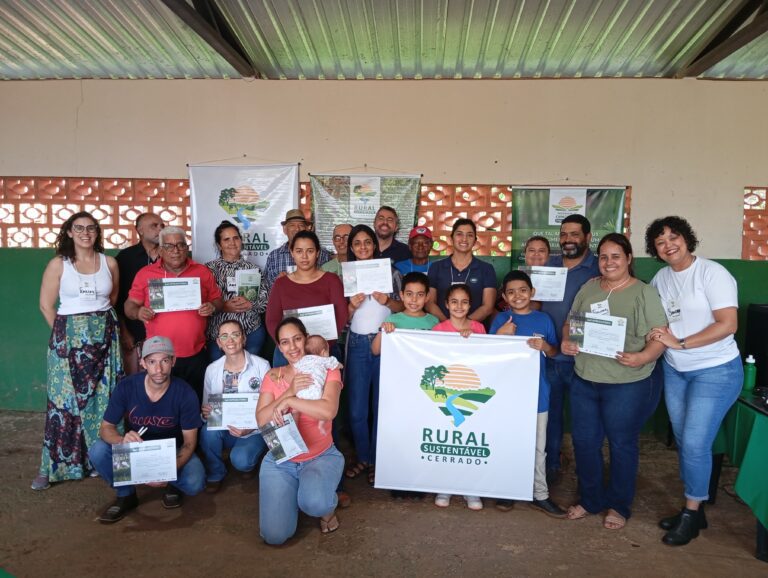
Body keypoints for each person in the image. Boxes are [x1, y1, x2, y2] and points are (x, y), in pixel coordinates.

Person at [645, 216, 742, 546]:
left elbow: (728, 324)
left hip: (716, 370)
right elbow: (658, 320)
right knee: (686, 441)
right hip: (676, 370)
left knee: (697, 443)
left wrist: (681, 343)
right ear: (655, 250)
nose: (668, 244)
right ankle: (696, 508)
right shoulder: (660, 277)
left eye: (674, 236)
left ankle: (690, 512)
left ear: (687, 239)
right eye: (660, 241)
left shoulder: (713, 273)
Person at [561, 233, 667, 530]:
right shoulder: (589, 287)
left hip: (627, 382)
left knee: (621, 444)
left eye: (616, 256)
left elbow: (659, 334)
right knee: (584, 442)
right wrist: (568, 340)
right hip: (585, 378)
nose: (609, 262)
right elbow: (571, 321)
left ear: (629, 259)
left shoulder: (643, 293)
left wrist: (644, 357)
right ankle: (591, 499)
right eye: (604, 257)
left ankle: (618, 505)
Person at [32, 211, 123, 491]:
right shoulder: (59, 264)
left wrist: (96, 328)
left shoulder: (109, 262)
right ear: (69, 232)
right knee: (64, 403)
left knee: (105, 399)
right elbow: (46, 305)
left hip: (106, 337)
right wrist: (64, 337)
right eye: (79, 228)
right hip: (68, 340)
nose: (86, 233)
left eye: (91, 228)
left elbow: (112, 298)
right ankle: (55, 466)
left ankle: (100, 461)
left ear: (97, 233)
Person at [89, 336, 205, 523]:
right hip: (137, 449)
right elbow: (106, 428)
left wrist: (166, 472)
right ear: (143, 363)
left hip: (171, 451)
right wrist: (122, 440)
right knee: (98, 450)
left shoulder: (185, 393)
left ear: (173, 361)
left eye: (164, 361)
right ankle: (126, 494)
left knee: (194, 482)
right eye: (152, 362)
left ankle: (172, 485)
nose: (158, 369)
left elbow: (190, 442)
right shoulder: (127, 387)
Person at [256, 318, 345, 544]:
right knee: (274, 536)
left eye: (297, 339)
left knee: (315, 504)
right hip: (281, 457)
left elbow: (328, 410)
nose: (292, 347)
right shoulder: (273, 376)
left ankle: (326, 505)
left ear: (305, 338)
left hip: (320, 456)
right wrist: (289, 392)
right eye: (285, 342)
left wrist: (293, 402)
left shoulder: (327, 368)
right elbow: (261, 420)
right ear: (278, 347)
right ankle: (296, 495)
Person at [490, 271, 566, 518]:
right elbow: (486, 355)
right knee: (507, 442)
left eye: (523, 290)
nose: (517, 295)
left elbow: (554, 352)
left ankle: (540, 494)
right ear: (504, 297)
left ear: (532, 292)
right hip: (506, 395)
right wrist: (499, 336)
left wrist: (546, 347)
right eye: (511, 292)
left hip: (537, 393)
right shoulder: (500, 319)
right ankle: (506, 490)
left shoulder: (543, 319)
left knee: (538, 447)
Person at [125, 226, 223, 400]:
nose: (176, 250)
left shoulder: (202, 271)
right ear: (161, 250)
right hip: (159, 356)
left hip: (195, 353)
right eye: (169, 246)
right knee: (163, 403)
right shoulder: (146, 274)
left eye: (180, 245)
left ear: (186, 248)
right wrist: (138, 311)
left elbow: (218, 300)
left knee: (195, 401)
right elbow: (130, 305)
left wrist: (212, 307)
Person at [540, 215, 600, 484]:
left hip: (583, 359)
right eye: (564, 234)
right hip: (549, 355)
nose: (568, 240)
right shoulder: (548, 265)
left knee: (585, 421)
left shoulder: (600, 268)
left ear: (588, 237)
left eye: (575, 234)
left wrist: (575, 338)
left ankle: (586, 472)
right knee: (550, 416)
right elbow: (533, 304)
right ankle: (551, 465)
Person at [344, 224, 404, 484]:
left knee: (381, 406)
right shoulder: (345, 276)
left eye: (367, 242)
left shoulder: (390, 273)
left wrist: (387, 302)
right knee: (357, 410)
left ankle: (379, 461)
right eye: (357, 243)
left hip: (385, 341)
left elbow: (404, 306)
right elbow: (339, 318)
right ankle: (364, 457)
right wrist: (350, 306)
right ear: (351, 248)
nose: (363, 247)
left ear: (375, 245)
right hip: (357, 343)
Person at [430, 283, 485, 511]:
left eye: (464, 302)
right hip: (445, 392)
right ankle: (446, 485)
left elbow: (486, 358)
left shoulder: (479, 328)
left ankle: (471, 489)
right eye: (454, 302)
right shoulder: (438, 329)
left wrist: (472, 340)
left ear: (470, 304)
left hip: (470, 389)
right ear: (446, 304)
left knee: (468, 440)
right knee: (448, 441)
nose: (459, 306)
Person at [200, 320, 271, 493]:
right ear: (219, 343)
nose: (230, 340)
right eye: (224, 336)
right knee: (206, 432)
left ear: (244, 338)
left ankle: (248, 464)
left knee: (241, 461)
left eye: (235, 334)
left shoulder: (262, 366)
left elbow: (270, 409)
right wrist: (206, 413)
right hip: (225, 429)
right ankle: (216, 472)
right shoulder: (212, 369)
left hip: (253, 430)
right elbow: (206, 407)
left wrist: (250, 428)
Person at [265, 231, 348, 367]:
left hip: (323, 351)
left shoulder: (331, 280)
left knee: (327, 388)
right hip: (288, 354)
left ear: (317, 253)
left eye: (310, 251)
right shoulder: (281, 284)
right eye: (299, 251)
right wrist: (286, 344)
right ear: (292, 253)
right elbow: (272, 320)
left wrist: (321, 345)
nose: (304, 256)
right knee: (287, 388)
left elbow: (341, 314)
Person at [205, 221, 268, 362]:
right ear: (219, 245)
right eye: (226, 239)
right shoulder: (209, 270)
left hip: (251, 332)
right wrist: (222, 306)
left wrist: (251, 304)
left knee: (249, 374)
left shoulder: (254, 269)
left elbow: (266, 301)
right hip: (219, 334)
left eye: (236, 238)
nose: (232, 243)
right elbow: (202, 302)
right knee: (220, 376)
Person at [116, 212, 165, 375]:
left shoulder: (172, 256)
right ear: (140, 230)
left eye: (162, 226)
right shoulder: (125, 259)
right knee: (136, 381)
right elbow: (117, 299)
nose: (160, 229)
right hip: (135, 331)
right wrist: (124, 332)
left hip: (165, 331)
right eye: (154, 226)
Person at [426, 218, 497, 323]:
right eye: (459, 234)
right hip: (441, 331)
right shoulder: (436, 267)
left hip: (473, 332)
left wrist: (464, 325)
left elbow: (488, 307)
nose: (464, 239)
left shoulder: (486, 269)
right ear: (451, 238)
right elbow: (429, 303)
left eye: (470, 235)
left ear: (475, 241)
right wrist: (448, 325)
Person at [262, 209, 332, 297]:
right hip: (285, 305)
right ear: (285, 229)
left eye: (301, 225)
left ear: (307, 228)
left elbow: (329, 284)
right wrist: (277, 283)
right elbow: (265, 289)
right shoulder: (274, 256)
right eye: (292, 225)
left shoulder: (322, 254)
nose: (297, 229)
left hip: (314, 304)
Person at [294, 335, 342, 400]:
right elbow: (335, 364)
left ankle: (297, 408)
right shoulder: (324, 360)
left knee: (302, 402)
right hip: (315, 391)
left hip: (300, 391)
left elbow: (296, 366)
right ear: (323, 352)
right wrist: (341, 365)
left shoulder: (303, 360)